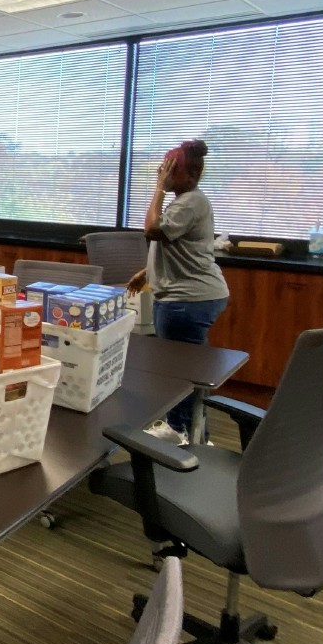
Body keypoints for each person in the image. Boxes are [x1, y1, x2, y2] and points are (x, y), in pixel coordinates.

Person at [127, 139, 229, 446]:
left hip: (188, 300)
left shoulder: (190, 201)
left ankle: (190, 434)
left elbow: (153, 230)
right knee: (180, 369)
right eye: (163, 168)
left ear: (190, 174)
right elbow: (185, 246)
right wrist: (148, 272)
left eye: (170, 168)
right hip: (187, 296)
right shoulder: (187, 200)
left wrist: (158, 188)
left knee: (181, 372)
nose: (163, 172)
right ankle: (183, 428)